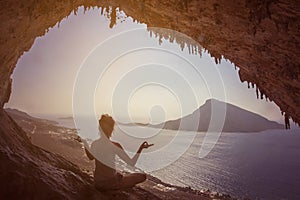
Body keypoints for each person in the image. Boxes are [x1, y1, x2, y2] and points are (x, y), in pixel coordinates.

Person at [83, 114, 153, 190]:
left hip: (98, 183)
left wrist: (85, 144)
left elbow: (90, 157)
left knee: (119, 175)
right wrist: (140, 148)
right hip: (112, 183)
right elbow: (131, 163)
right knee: (142, 176)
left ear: (100, 128)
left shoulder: (95, 144)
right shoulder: (115, 145)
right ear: (112, 129)